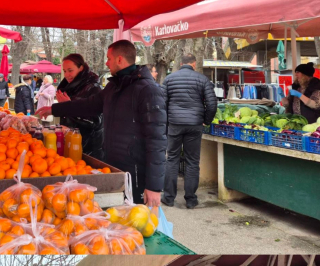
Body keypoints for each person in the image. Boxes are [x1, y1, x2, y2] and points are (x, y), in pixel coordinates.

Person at [38, 40, 167, 208]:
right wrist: (55, 109)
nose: (106, 62)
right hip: (113, 167)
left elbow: (157, 140)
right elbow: (88, 105)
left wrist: (154, 186)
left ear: (119, 59)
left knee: (137, 225)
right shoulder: (113, 87)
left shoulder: (147, 90)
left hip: (136, 173)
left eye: (108, 58)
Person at [162, 53, 217, 209]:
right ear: (194, 64)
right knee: (192, 161)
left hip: (174, 124)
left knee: (172, 158)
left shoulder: (169, 79)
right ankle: (191, 199)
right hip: (194, 125)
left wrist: (167, 122)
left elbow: (162, 104)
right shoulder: (202, 79)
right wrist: (206, 120)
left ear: (181, 64)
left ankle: (169, 197)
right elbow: (212, 104)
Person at [55, 54, 105, 157]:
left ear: (81, 68)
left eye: (70, 70)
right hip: (70, 144)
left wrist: (68, 107)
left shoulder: (94, 88)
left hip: (88, 149)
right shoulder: (68, 88)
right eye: (64, 71)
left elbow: (96, 121)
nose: (66, 75)